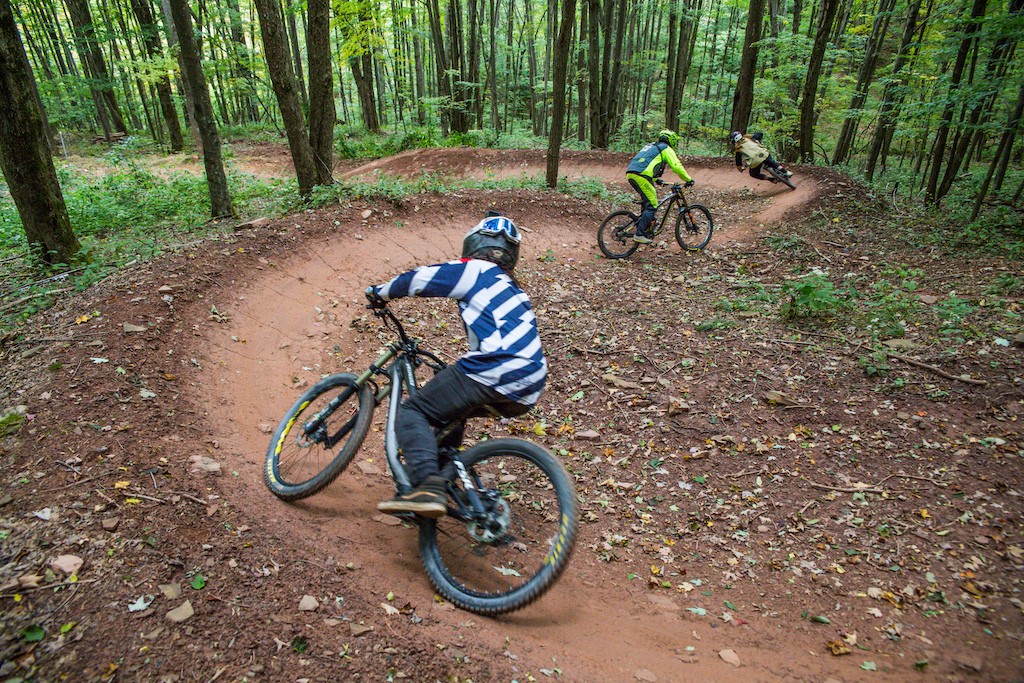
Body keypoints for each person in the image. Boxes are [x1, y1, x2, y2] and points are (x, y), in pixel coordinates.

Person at [365, 213, 547, 518]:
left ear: (474, 242)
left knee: (413, 411)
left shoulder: (476, 270)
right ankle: (439, 481)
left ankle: (425, 487)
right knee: (451, 413)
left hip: (495, 366)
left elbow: (421, 279)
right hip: (530, 383)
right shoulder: (514, 289)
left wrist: (379, 292)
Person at [626, 129, 695, 244]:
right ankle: (640, 234)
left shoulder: (651, 146)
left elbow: (646, 162)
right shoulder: (666, 148)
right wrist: (688, 179)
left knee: (647, 201)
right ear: (671, 140)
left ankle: (647, 225)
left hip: (631, 173)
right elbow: (676, 166)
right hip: (642, 176)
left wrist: (656, 179)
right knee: (652, 204)